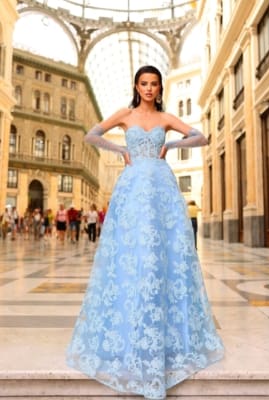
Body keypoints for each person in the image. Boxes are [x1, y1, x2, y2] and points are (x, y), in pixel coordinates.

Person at [66, 65, 224, 400]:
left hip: (162, 189)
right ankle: (129, 329)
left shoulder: (166, 119)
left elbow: (202, 136)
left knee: (162, 257)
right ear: (136, 86)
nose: (149, 89)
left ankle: (167, 337)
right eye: (144, 84)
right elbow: (90, 135)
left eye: (154, 84)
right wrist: (121, 151)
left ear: (159, 87)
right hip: (133, 188)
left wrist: (172, 148)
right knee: (131, 255)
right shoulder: (125, 114)